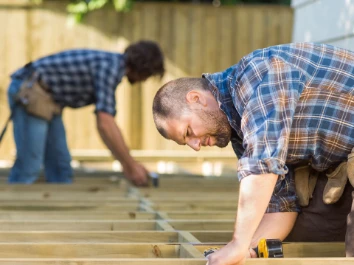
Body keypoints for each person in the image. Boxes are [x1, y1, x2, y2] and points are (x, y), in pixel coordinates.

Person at [152, 43, 354, 263]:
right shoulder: (240, 134)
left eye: (188, 132)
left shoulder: (256, 75)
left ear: (196, 98)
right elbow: (282, 206)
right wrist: (246, 250)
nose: (195, 146)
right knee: (305, 237)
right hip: (339, 160)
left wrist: (238, 243)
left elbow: (262, 163)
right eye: (186, 144)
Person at [7, 40, 164, 185]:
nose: (145, 80)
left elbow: (105, 125)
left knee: (61, 170)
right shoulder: (110, 67)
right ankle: (10, 211)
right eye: (148, 75)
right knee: (29, 166)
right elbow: (105, 123)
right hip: (31, 91)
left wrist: (129, 164)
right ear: (143, 68)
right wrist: (130, 166)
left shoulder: (112, 65)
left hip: (50, 99)